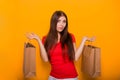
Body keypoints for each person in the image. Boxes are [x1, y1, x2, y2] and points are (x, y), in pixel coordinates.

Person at [26, 10, 95, 80]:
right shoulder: (45, 39)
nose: (61, 24)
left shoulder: (70, 37)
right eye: (58, 21)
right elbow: (45, 59)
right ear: (53, 22)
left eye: (64, 21)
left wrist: (83, 40)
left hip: (70, 77)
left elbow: (75, 57)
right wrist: (38, 40)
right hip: (53, 77)